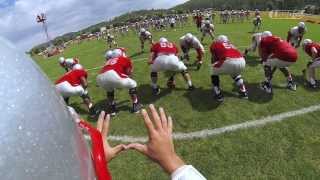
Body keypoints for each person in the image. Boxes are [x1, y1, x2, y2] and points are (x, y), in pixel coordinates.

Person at [1, 37, 206, 180]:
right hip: (109, 76)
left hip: (94, 79)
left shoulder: (95, 62)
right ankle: (135, 105)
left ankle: (113, 107)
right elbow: (125, 71)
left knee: (108, 89)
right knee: (131, 85)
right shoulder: (104, 61)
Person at [96, 49, 142, 115]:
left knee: (110, 90)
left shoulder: (109, 61)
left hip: (100, 77)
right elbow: (128, 73)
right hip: (112, 74)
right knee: (133, 84)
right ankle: (136, 104)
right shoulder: (124, 59)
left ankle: (112, 109)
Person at [210, 35, 248, 102]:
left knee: (212, 71)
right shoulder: (231, 45)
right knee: (235, 73)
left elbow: (214, 59)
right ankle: (243, 92)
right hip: (242, 61)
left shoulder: (215, 44)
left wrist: (215, 64)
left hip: (229, 61)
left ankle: (218, 95)